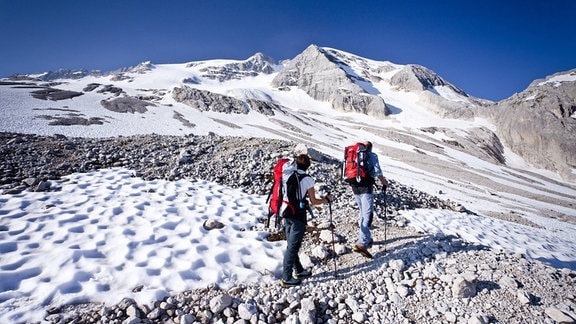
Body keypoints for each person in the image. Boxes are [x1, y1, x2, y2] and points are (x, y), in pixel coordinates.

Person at [280, 154, 333, 287]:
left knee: (292, 244)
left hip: (285, 210)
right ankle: (286, 277)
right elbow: (314, 201)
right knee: (293, 246)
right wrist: (326, 200)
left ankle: (299, 270)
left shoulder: (287, 174)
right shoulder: (307, 179)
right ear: (308, 166)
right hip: (298, 214)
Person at [349, 141, 387, 258]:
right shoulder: (371, 155)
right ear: (370, 148)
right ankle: (362, 243)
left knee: (362, 212)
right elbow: (377, 170)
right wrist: (383, 182)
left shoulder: (354, 155)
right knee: (368, 214)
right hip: (366, 186)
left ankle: (366, 238)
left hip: (355, 185)